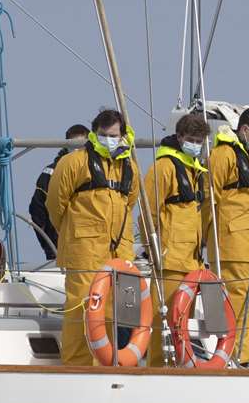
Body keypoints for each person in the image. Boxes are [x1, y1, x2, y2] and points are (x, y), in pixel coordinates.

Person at [46, 109, 141, 366]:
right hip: (84, 251)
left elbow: (129, 202)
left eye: (113, 135)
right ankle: (76, 365)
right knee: (81, 309)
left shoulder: (129, 168)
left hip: (118, 252)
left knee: (113, 312)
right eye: (103, 135)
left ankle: (107, 365)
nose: (109, 139)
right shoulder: (74, 163)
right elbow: (55, 203)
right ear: (94, 133)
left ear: (122, 136)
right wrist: (73, 234)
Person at [145, 113, 211, 366]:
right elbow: (149, 210)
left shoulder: (194, 169)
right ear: (180, 137)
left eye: (199, 141)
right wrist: (155, 249)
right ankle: (158, 366)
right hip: (169, 259)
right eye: (192, 139)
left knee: (184, 321)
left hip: (191, 261)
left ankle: (182, 364)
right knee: (163, 320)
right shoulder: (163, 168)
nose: (195, 144)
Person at [210, 106, 249, 366]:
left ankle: (246, 353)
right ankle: (231, 353)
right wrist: (207, 238)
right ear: (245, 130)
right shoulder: (223, 155)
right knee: (235, 297)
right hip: (231, 240)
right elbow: (210, 196)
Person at [29, 124, 89, 260]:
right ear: (66, 146)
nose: (77, 152)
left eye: (81, 147)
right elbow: (37, 211)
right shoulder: (51, 173)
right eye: (73, 147)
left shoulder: (98, 173)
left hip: (94, 249)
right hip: (60, 249)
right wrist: (51, 247)